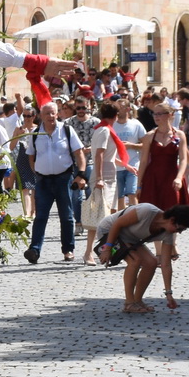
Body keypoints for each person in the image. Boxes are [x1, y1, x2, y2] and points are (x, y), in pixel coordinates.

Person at [94, 202, 189, 313]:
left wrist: (169, 293)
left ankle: (137, 300)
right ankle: (129, 303)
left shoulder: (169, 234)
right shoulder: (146, 211)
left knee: (152, 263)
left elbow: (166, 264)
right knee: (135, 261)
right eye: (179, 229)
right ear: (172, 220)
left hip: (130, 238)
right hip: (109, 230)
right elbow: (117, 224)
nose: (179, 232)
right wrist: (108, 248)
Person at [19, 100, 86, 265]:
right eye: (47, 113)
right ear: (41, 116)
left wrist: (81, 174)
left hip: (64, 178)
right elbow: (31, 157)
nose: (50, 116)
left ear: (57, 114)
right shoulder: (36, 134)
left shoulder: (67, 130)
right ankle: (34, 249)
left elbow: (79, 154)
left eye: (53, 113)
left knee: (66, 216)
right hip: (43, 180)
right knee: (40, 216)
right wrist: (39, 172)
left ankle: (68, 250)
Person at [81, 102, 123, 264]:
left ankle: (108, 250)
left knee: (111, 215)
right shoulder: (104, 130)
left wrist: (126, 166)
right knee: (98, 217)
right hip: (103, 177)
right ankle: (88, 253)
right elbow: (98, 155)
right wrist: (98, 178)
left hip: (110, 176)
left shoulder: (105, 129)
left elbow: (108, 156)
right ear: (116, 116)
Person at [135, 103, 189, 213]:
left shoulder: (179, 135)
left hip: (172, 176)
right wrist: (139, 186)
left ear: (170, 115)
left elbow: (183, 159)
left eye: (160, 114)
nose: (156, 117)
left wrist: (179, 178)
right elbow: (143, 161)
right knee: (151, 213)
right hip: (153, 178)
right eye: (154, 114)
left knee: (172, 212)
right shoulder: (149, 136)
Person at [114, 98, 146, 206]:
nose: (117, 110)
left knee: (132, 194)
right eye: (116, 107)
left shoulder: (136, 124)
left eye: (121, 107)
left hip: (132, 164)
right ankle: (122, 220)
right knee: (119, 197)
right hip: (116, 165)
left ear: (128, 109)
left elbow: (146, 144)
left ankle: (136, 218)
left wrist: (131, 145)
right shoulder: (112, 125)